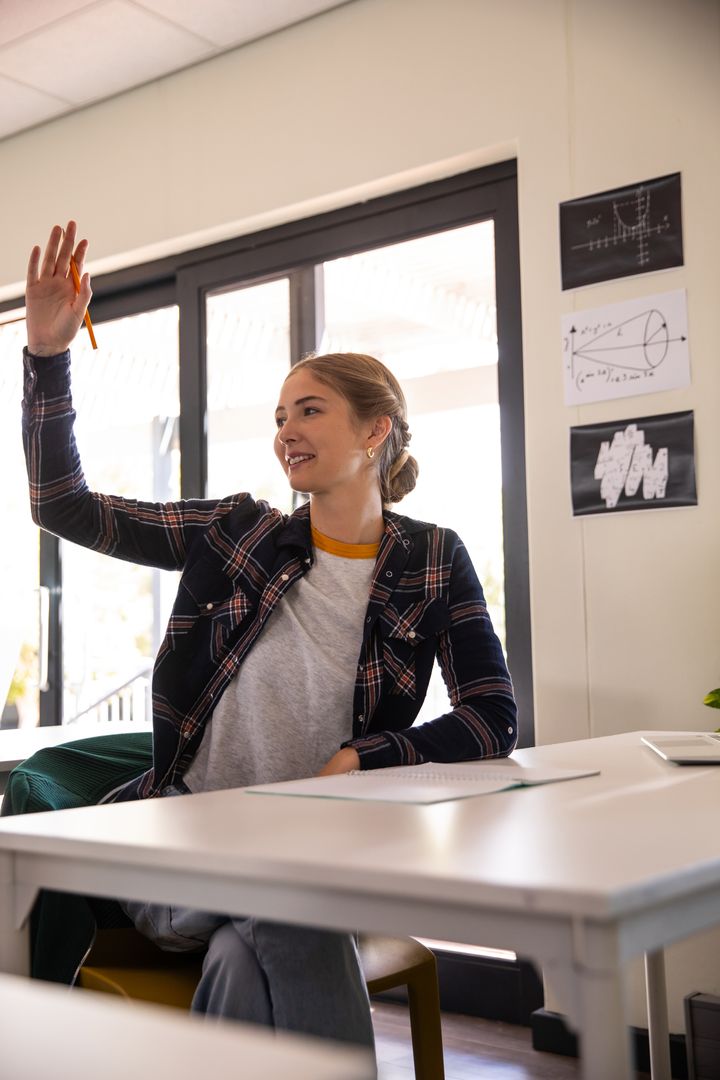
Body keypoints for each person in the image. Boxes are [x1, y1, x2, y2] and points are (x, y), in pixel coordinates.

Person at [22, 221, 517, 1052]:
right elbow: (64, 504)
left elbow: (493, 716)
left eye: (310, 411)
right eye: (281, 415)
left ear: (374, 430)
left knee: (243, 958)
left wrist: (368, 756)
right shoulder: (236, 533)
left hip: (321, 852)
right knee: (293, 901)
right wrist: (47, 356)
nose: (286, 429)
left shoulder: (433, 559)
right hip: (186, 845)